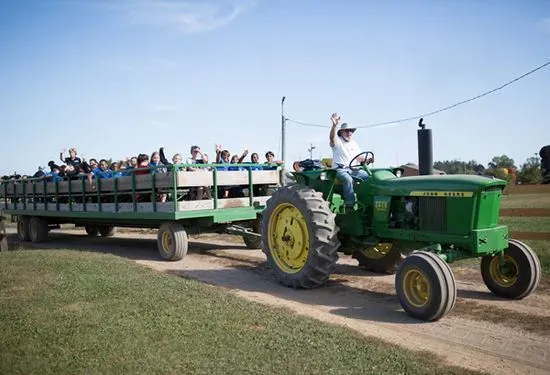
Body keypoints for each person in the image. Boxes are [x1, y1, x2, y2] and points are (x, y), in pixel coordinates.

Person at [329, 112, 373, 211]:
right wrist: (334, 126)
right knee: (348, 179)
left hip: (353, 169)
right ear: (341, 132)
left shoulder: (354, 143)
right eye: (347, 131)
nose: (349, 133)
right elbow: (331, 138)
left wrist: (368, 160)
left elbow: (359, 158)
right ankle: (350, 204)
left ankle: (366, 201)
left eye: (351, 131)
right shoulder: (338, 141)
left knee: (369, 177)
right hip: (340, 170)